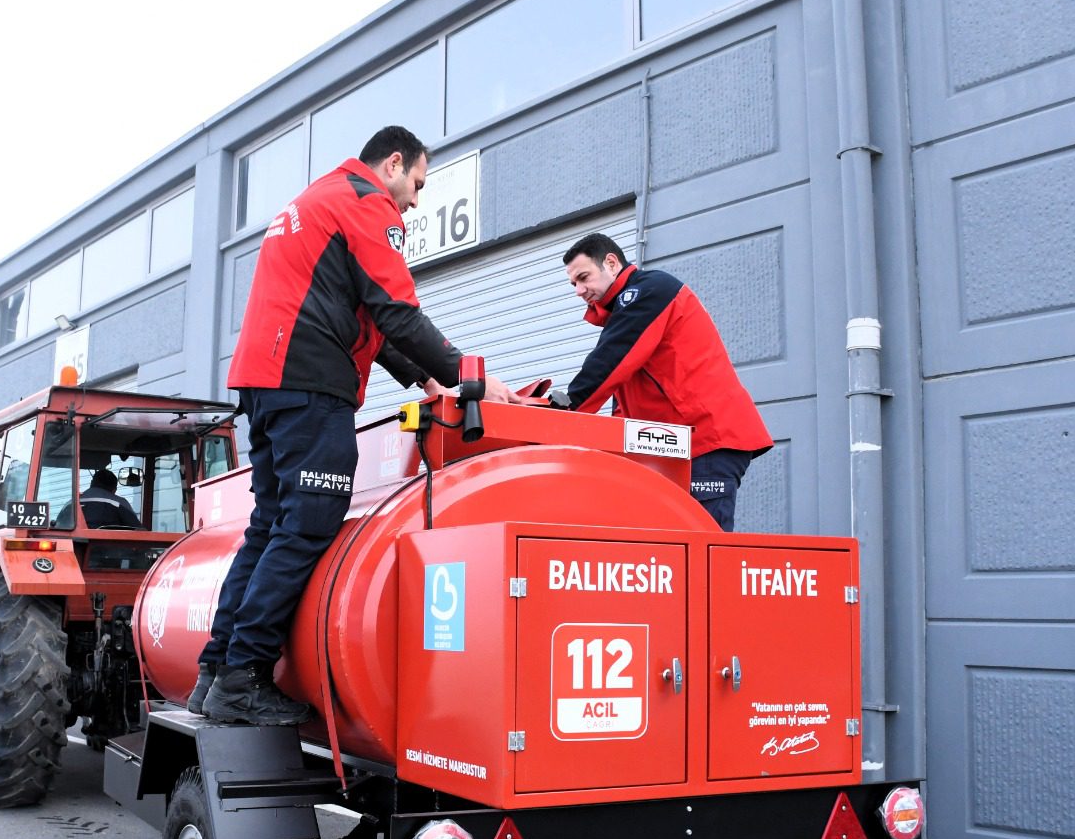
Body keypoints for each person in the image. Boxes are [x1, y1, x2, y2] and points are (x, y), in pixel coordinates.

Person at [192, 125, 515, 726]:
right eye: (416, 184)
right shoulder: (368, 204)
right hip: (310, 383)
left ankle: (215, 669)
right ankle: (244, 677)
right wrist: (474, 377)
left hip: (265, 382)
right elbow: (397, 310)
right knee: (307, 525)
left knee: (270, 524)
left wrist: (425, 382)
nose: (415, 201)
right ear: (393, 164)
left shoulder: (316, 199)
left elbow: (365, 312)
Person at [556, 232, 771, 531]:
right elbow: (622, 402)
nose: (579, 290)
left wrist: (562, 416)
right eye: (573, 284)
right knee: (673, 553)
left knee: (701, 552)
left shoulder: (649, 292)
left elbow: (608, 362)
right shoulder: (628, 314)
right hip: (679, 448)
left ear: (611, 263)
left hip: (704, 442)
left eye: (583, 277)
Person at [75, 468, 141, 529]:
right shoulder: (119, 503)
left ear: (91, 483)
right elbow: (139, 532)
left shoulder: (72, 504)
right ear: (114, 490)